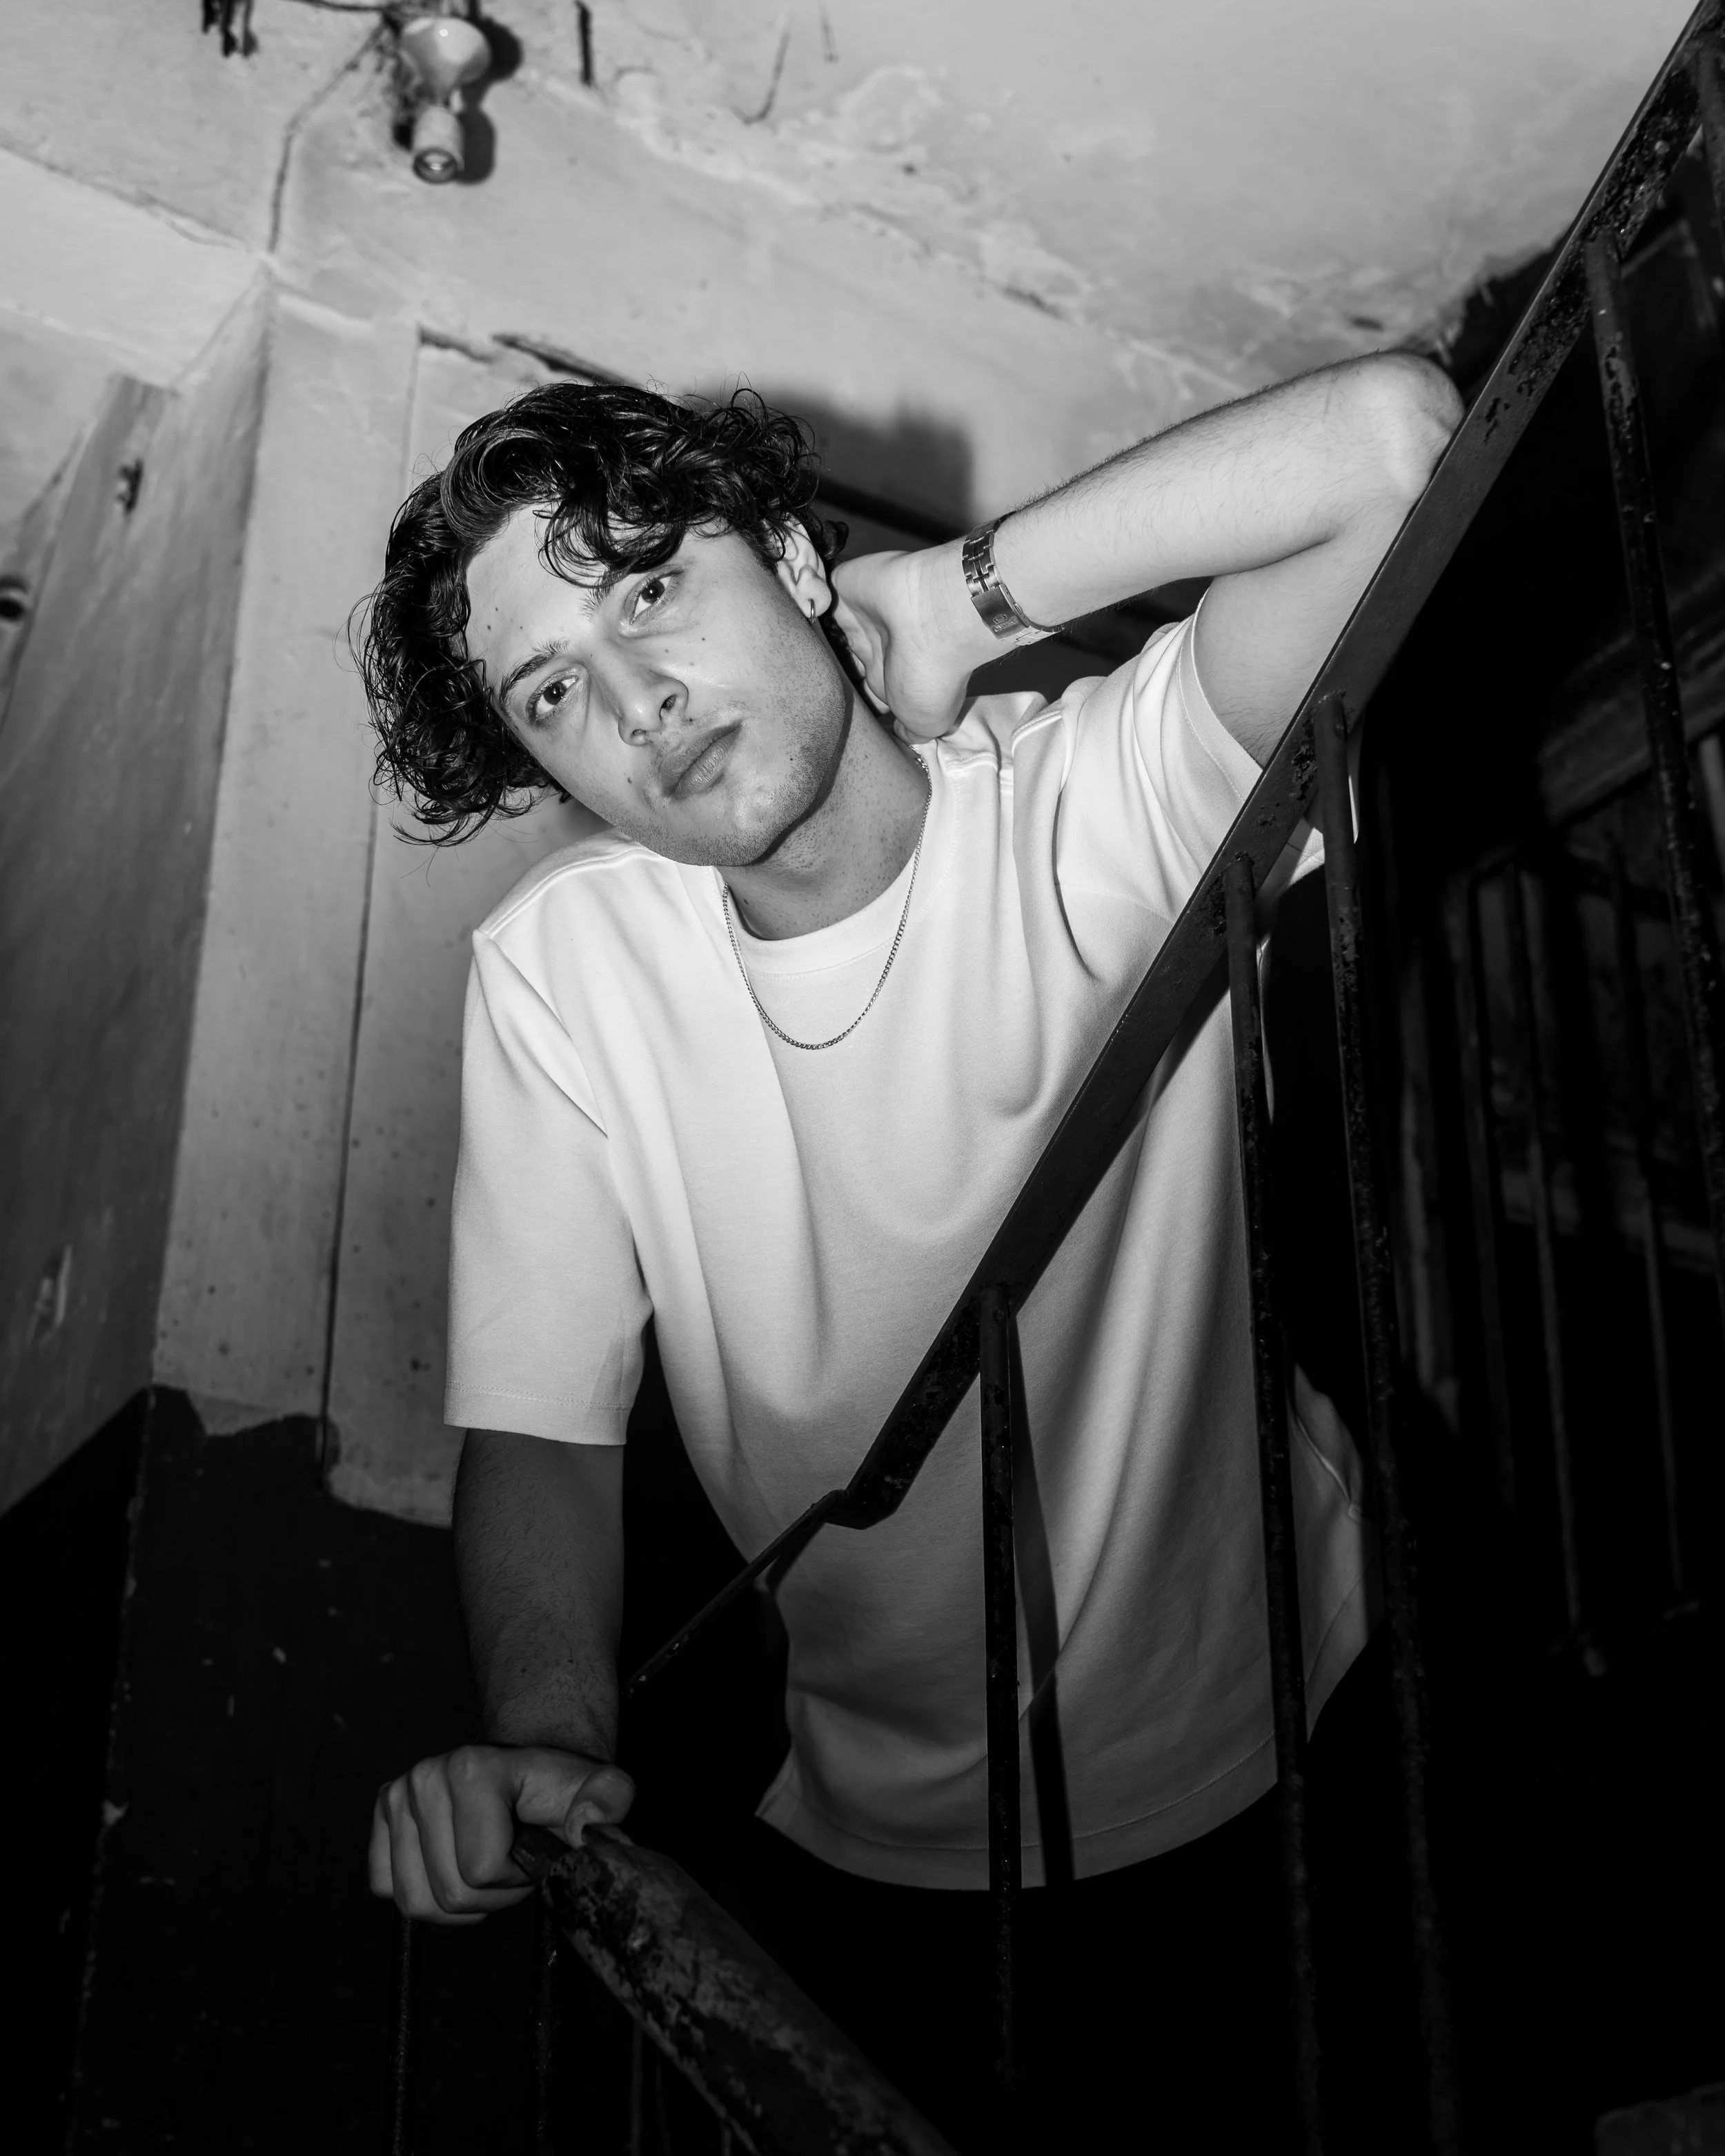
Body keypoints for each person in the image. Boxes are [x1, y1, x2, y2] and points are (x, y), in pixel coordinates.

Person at [359, 357, 1459, 2144]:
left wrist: (954, 591)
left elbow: (1391, 446)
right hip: (883, 1831)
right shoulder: (564, 970)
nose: (634, 699)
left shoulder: (1093, 794)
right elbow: (539, 1429)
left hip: (1284, 1725)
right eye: (552, 686)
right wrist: (549, 1735)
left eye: (650, 586)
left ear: (794, 560)